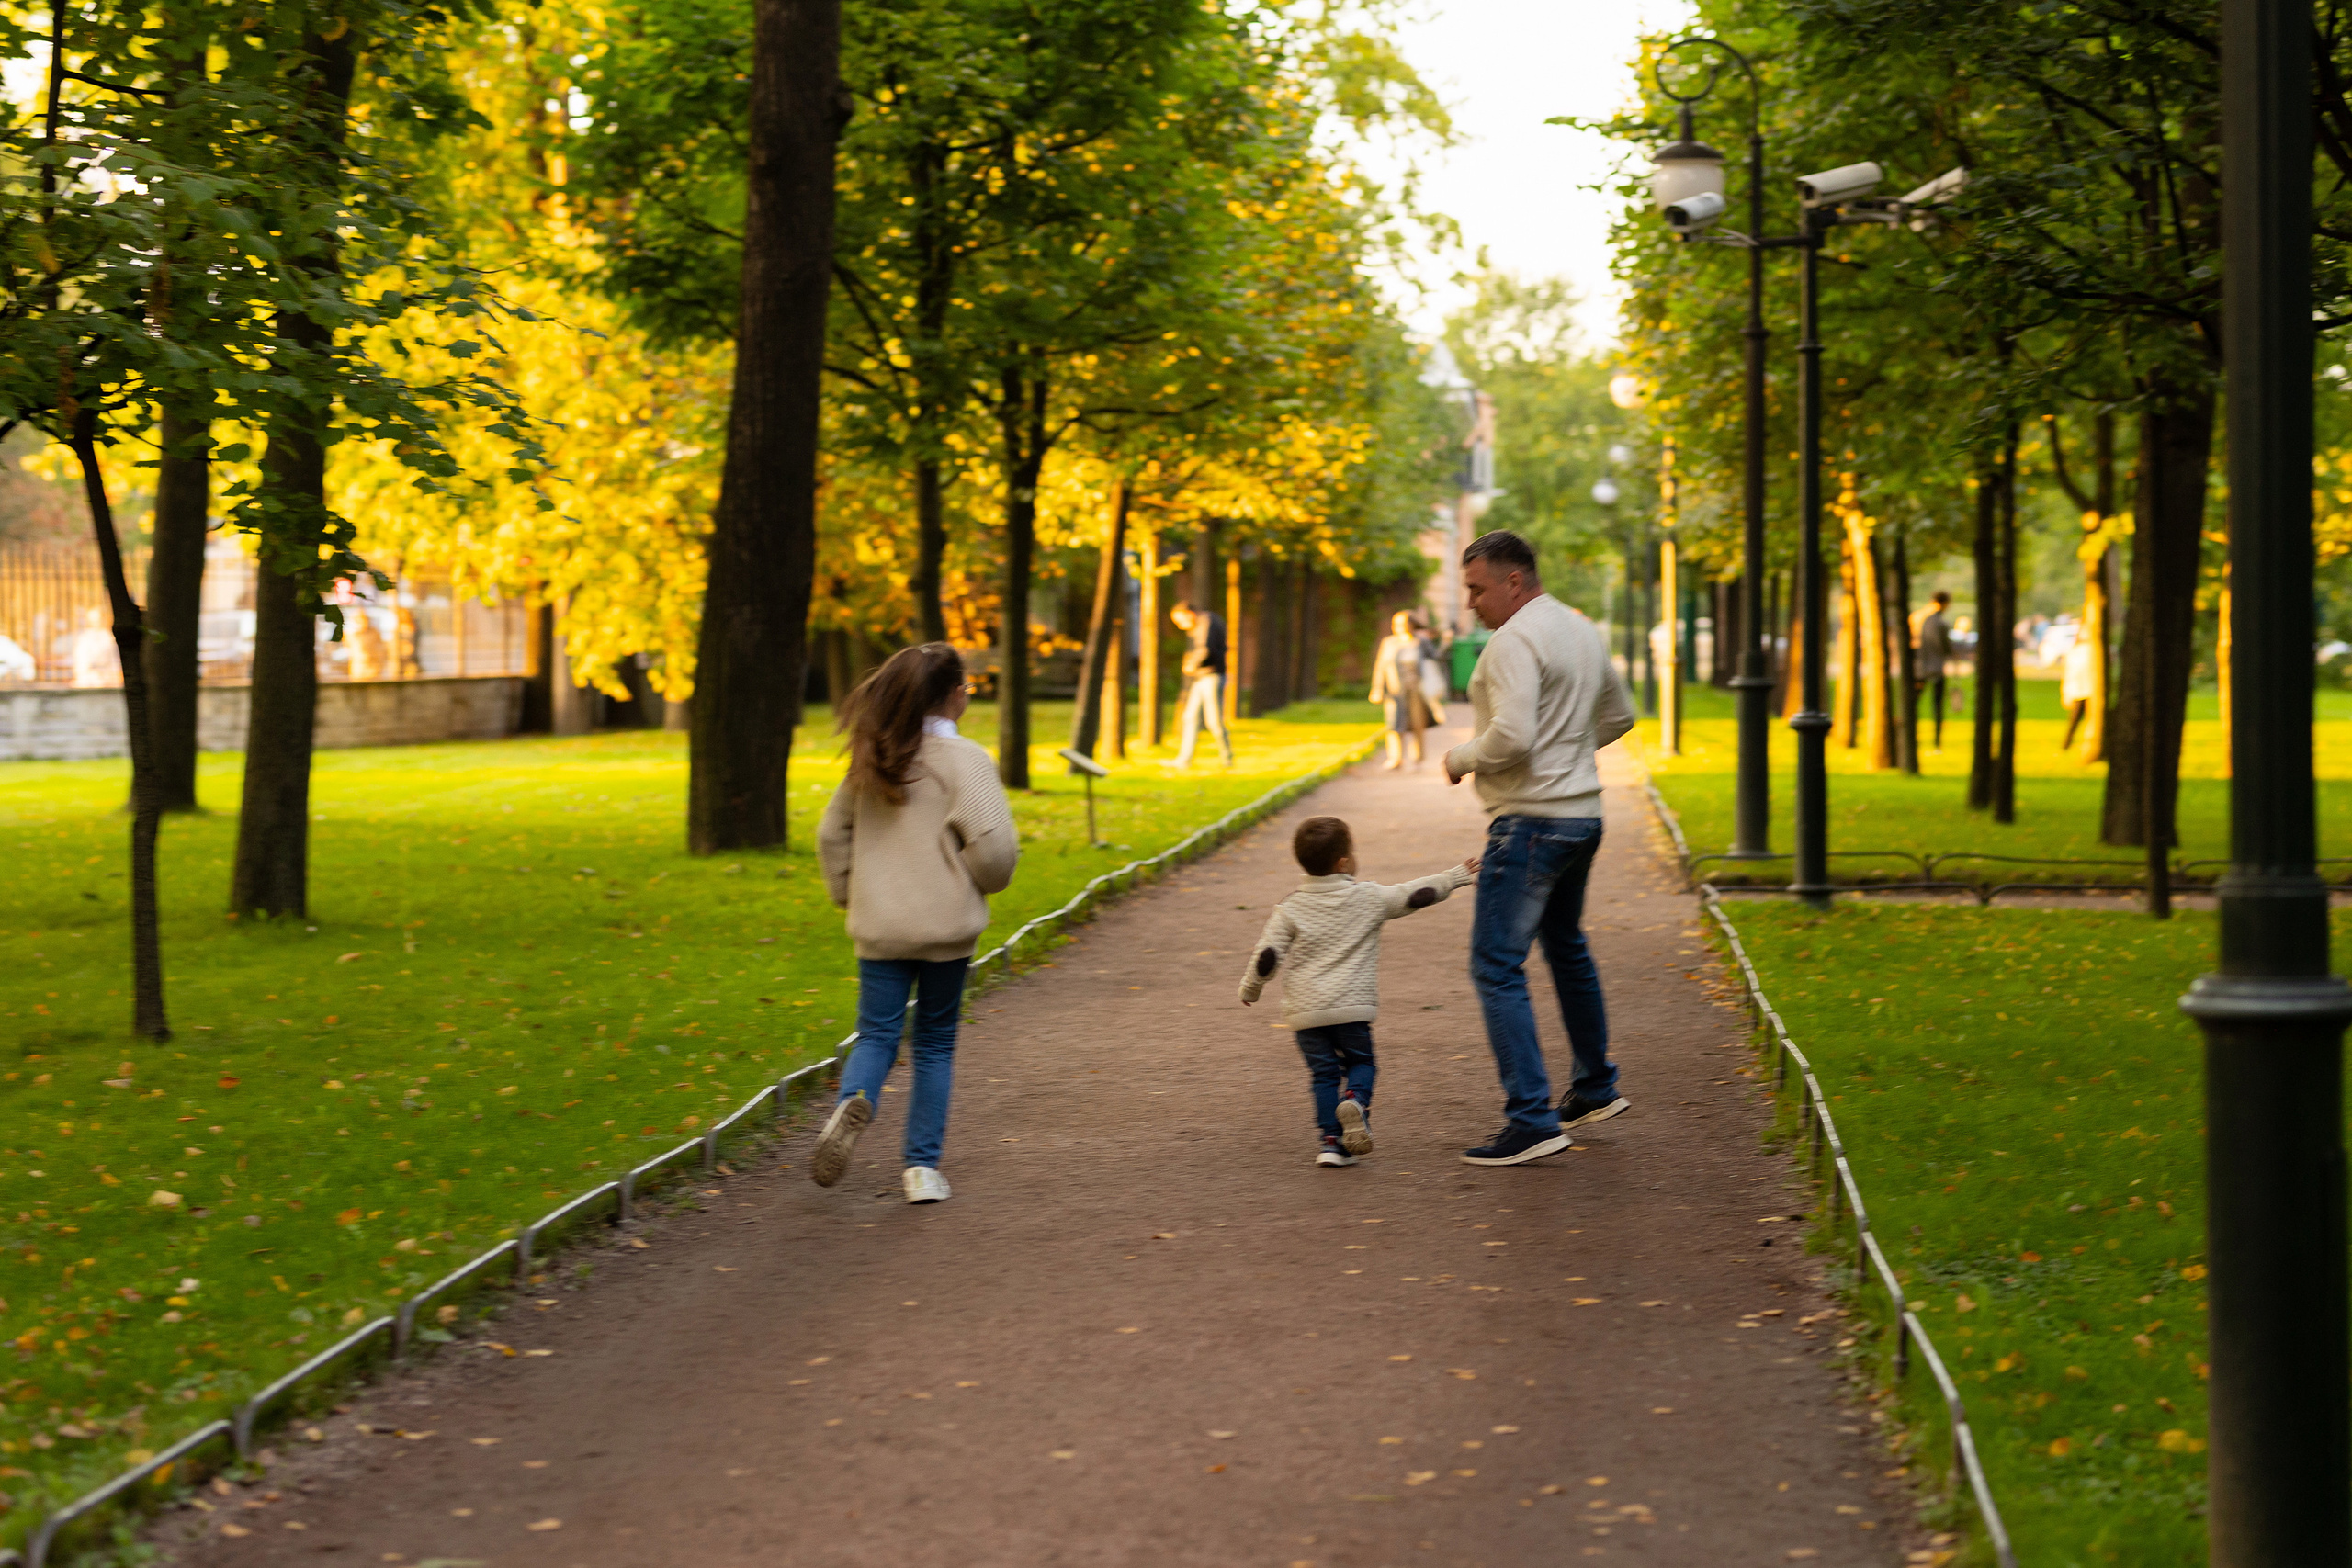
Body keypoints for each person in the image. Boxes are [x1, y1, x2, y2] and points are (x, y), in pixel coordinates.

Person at [1442, 529, 1636, 1168]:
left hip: (1531, 823)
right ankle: (1594, 1086)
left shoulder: (1513, 640)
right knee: (1567, 946)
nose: (1471, 602)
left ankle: (1531, 1119)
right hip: (1583, 815)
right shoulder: (1578, 629)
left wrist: (1461, 758)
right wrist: (1569, 756)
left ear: (1514, 581)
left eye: (1477, 588)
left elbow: (1514, 735)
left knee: (1496, 964)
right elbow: (1619, 714)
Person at [812, 642, 1019, 1204]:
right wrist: (977, 878)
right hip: (946, 930)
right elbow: (994, 849)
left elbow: (831, 834)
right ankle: (921, 1169)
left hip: (880, 926)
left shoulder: (876, 757)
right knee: (934, 1043)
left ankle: (851, 1102)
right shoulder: (966, 762)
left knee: (877, 1032)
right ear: (954, 696)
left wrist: (849, 893)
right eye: (968, 689)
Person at [1238, 815, 1477, 1167]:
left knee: (1323, 1075)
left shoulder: (1290, 908)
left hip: (1306, 1013)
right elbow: (1414, 895)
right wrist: (1454, 877)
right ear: (1343, 862)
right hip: (1351, 1008)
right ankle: (1355, 1100)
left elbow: (1268, 955)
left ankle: (1331, 1144)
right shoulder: (1368, 897)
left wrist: (1251, 988)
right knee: (1361, 1063)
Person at [1367, 609, 1434, 769]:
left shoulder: (1421, 642)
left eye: (1402, 623)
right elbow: (1380, 666)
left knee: (1418, 724)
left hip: (1417, 689)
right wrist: (1376, 689)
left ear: (1411, 624)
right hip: (1395, 690)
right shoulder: (1389, 643)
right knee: (1394, 723)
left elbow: (1435, 658)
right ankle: (1395, 758)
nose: (1397, 627)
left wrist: (1446, 642)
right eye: (1395, 624)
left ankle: (1418, 758)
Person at [1170, 602, 1234, 767]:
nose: (1180, 626)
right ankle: (1184, 760)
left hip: (1211, 676)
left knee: (1214, 720)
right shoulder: (1201, 624)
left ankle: (1227, 758)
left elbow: (1206, 649)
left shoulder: (1207, 621)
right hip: (1201, 677)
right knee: (1189, 717)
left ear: (1189, 614)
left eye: (1180, 621)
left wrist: (1192, 663)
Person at [1916, 592, 1953, 750]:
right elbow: (1946, 648)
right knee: (1937, 706)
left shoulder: (1924, 620)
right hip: (1936, 669)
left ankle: (1915, 737)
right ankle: (1937, 741)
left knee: (1915, 704)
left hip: (1921, 669)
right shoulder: (1940, 624)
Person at [2060, 626, 2096, 750]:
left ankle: (2072, 744)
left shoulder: (2091, 650)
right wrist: (2067, 692)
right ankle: (2066, 744)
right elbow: (2069, 674)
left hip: (2088, 690)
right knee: (2075, 720)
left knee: (2091, 721)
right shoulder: (2075, 651)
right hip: (2080, 690)